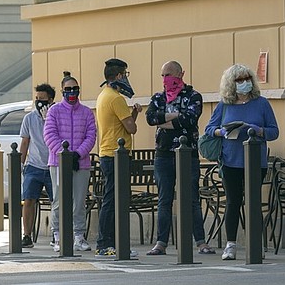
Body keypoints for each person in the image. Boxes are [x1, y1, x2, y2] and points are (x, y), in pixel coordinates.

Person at [204, 64, 279, 260]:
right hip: (231, 160)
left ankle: (256, 244)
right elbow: (209, 129)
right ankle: (231, 245)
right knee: (233, 202)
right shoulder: (224, 104)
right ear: (231, 84)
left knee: (254, 203)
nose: (244, 83)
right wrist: (223, 131)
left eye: (247, 78)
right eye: (239, 80)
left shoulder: (261, 103)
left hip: (255, 161)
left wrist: (258, 130)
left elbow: (274, 131)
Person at [145, 60, 215, 256]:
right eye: (163, 75)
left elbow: (190, 120)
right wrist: (176, 118)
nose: (165, 79)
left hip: (187, 155)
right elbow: (151, 118)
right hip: (164, 154)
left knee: (192, 198)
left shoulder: (194, 96)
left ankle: (200, 242)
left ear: (181, 74)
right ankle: (161, 243)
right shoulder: (158, 98)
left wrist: (164, 120)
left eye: (169, 74)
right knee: (164, 199)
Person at [44, 71, 97, 253]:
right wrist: (65, 154)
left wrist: (78, 154)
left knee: (79, 201)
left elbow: (91, 135)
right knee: (59, 200)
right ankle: (57, 235)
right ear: (62, 91)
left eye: (75, 88)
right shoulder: (54, 111)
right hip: (58, 163)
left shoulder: (87, 112)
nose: (72, 92)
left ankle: (78, 236)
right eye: (68, 89)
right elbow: (50, 135)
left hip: (80, 164)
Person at [95, 58, 141, 257]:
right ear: (119, 76)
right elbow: (131, 128)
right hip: (116, 155)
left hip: (107, 153)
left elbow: (121, 124)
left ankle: (111, 242)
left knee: (111, 198)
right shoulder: (116, 99)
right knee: (113, 200)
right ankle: (105, 242)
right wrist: (134, 115)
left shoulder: (103, 95)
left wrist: (132, 114)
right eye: (125, 74)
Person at [19, 83, 57, 248]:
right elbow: (25, 141)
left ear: (51, 100)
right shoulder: (29, 118)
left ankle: (57, 234)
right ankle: (27, 235)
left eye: (42, 99)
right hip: (34, 166)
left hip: (53, 165)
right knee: (28, 199)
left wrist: (48, 119)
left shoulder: (56, 115)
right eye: (37, 99)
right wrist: (20, 164)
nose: (39, 102)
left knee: (56, 201)